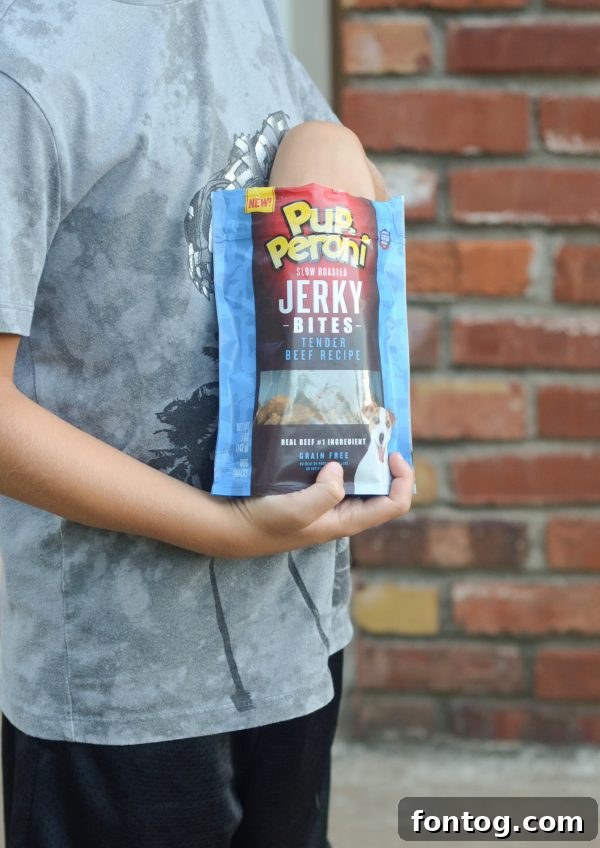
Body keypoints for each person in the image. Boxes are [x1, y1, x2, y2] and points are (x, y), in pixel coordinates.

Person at [0, 1, 414, 845]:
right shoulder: (28, 61)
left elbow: (333, 202)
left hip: (294, 636)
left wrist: (329, 147)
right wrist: (220, 530)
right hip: (121, 693)